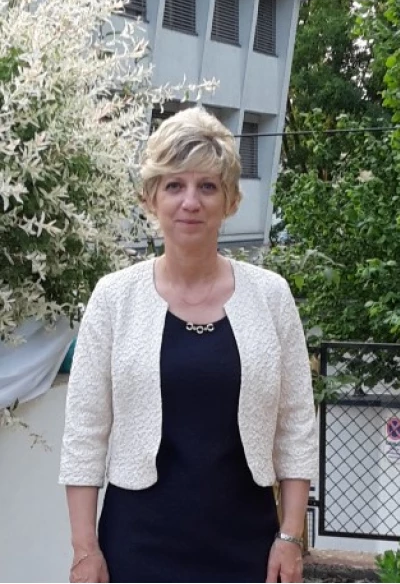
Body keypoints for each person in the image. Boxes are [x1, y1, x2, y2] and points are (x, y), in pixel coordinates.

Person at [59, 107, 318, 584]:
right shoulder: (114, 298)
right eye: (174, 185)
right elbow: (84, 433)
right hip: (137, 546)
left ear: (230, 199)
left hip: (248, 547)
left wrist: (290, 536)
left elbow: (296, 423)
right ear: (151, 197)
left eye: (208, 186)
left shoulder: (271, 296)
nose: (190, 202)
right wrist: (84, 550)